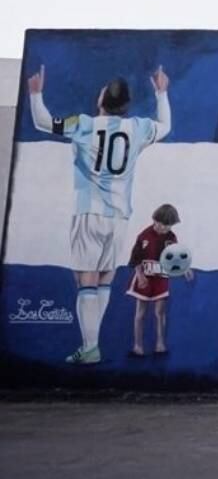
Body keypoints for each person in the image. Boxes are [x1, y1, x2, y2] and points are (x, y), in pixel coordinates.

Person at [27, 64, 172, 365]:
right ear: (126, 105)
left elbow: (43, 122)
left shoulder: (83, 124)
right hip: (120, 217)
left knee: (86, 281)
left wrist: (36, 94)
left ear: (101, 99)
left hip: (88, 213)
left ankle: (90, 347)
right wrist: (161, 92)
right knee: (105, 279)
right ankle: (93, 344)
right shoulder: (139, 128)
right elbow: (166, 125)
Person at [126, 203, 192, 356]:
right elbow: (135, 259)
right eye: (163, 225)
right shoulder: (143, 236)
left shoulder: (171, 237)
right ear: (155, 220)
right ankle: (138, 345)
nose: (165, 229)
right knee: (140, 313)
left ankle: (160, 344)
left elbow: (176, 257)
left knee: (160, 312)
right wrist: (141, 276)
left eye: (169, 226)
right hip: (145, 277)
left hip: (161, 278)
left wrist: (185, 269)